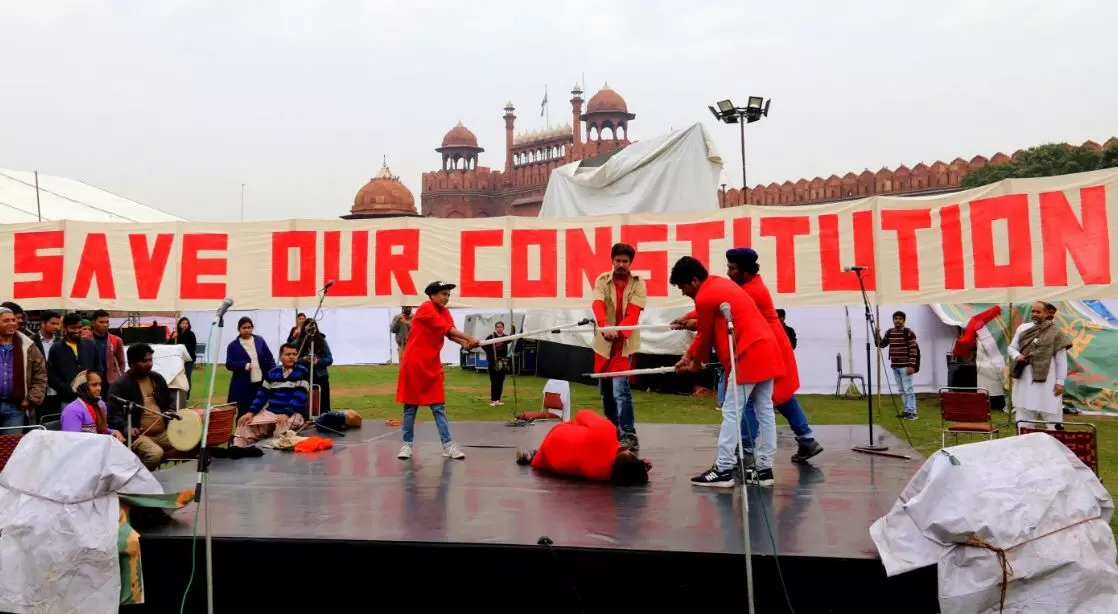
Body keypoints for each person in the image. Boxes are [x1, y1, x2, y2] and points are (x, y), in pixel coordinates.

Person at [670, 257, 784, 488]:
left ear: (694, 280)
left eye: (683, 287)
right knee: (765, 411)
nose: (683, 293)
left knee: (732, 411)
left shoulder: (705, 296)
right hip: (767, 347)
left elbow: (704, 335)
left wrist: (694, 363)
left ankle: (723, 469)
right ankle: (764, 470)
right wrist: (689, 355)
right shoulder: (719, 284)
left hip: (747, 353)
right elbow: (706, 326)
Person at [723, 248, 821, 464]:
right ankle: (806, 439)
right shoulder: (751, 287)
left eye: (732, 268)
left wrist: (695, 317)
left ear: (746, 271)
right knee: (782, 396)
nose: (728, 273)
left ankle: (746, 449)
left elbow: (721, 308)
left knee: (749, 398)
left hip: (765, 349)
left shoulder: (751, 291)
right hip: (773, 347)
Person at [396, 281, 480, 461]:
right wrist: (470, 338)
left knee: (438, 407)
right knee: (410, 406)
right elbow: (446, 328)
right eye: (443, 294)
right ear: (432, 295)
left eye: (448, 295)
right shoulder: (426, 308)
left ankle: (448, 446)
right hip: (414, 363)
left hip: (432, 364)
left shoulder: (445, 312)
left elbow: (449, 334)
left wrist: (465, 344)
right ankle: (406, 445)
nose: (446, 298)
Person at [592, 242, 646, 450]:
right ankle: (613, 431)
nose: (621, 264)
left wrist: (618, 332)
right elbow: (597, 304)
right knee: (606, 392)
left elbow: (633, 312)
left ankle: (629, 434)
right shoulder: (601, 280)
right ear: (612, 261)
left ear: (631, 263)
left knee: (620, 391)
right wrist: (605, 327)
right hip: (603, 345)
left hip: (624, 345)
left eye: (625, 261)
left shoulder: (638, 283)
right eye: (618, 260)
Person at [515, 409, 651, 485]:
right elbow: (626, 471)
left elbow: (581, 414)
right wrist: (638, 469)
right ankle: (532, 457)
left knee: (581, 428)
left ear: (627, 452)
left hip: (556, 436)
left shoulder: (607, 430)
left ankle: (534, 455)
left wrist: (601, 423)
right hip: (550, 461)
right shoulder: (603, 476)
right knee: (576, 454)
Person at [108, 343, 175, 470]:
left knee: (188, 442)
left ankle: (166, 474)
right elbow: (112, 416)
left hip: (163, 433)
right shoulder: (121, 385)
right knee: (155, 454)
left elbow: (169, 401)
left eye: (150, 360)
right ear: (131, 363)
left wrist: (171, 412)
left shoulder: (157, 378)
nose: (149, 364)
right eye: (144, 361)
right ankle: (137, 477)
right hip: (139, 436)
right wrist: (127, 427)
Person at [1009, 301, 1071, 430]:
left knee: (1051, 413)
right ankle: (1024, 439)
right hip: (1025, 378)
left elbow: (1061, 359)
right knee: (1024, 412)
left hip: (1048, 381)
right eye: (1033, 311)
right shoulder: (1023, 328)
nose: (1035, 314)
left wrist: (1060, 382)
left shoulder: (1056, 332)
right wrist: (1017, 356)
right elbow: (1012, 347)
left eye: (1038, 312)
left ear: (1047, 313)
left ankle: (1056, 439)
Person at [234, 343, 310, 446]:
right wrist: (251, 412)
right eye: (288, 354)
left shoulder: (302, 372)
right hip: (272, 412)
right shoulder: (272, 373)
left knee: (281, 433)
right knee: (244, 424)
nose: (292, 357)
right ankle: (239, 451)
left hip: (293, 413)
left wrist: (286, 413)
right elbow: (262, 395)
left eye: (294, 354)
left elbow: (299, 397)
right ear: (281, 357)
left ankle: (273, 455)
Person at [0, 306, 48, 429]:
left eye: (13, 320)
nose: (12, 323)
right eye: (6, 320)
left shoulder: (27, 344)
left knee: (12, 441)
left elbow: (41, 374)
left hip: (15, 408)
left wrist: (31, 399)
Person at [226, 316, 276, 416]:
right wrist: (244, 365)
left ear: (252, 328)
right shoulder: (233, 345)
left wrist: (273, 372)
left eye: (249, 327)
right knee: (244, 413)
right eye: (244, 328)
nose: (247, 330)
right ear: (239, 329)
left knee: (260, 411)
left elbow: (270, 358)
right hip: (243, 385)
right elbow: (229, 364)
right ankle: (241, 426)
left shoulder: (259, 340)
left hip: (261, 382)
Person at [47, 313, 100, 407]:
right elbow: (52, 376)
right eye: (73, 328)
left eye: (79, 327)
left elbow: (98, 368)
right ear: (65, 328)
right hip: (68, 400)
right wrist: (68, 390)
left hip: (91, 398)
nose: (77, 331)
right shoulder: (56, 348)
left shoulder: (90, 345)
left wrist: (93, 386)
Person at [876, 310, 920, 420]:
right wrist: (876, 334)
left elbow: (913, 349)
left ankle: (912, 412)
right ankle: (907, 410)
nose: (898, 320)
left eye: (900, 319)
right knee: (901, 390)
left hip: (905, 366)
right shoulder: (890, 332)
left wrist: (911, 365)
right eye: (896, 319)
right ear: (893, 320)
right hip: (895, 365)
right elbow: (881, 344)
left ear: (904, 320)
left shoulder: (909, 333)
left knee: (908, 389)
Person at [60, 370, 125, 442]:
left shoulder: (101, 404)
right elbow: (72, 441)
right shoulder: (72, 411)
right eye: (94, 385)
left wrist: (112, 432)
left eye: (99, 384)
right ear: (83, 387)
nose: (99, 388)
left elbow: (100, 430)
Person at [297, 318, 333, 414]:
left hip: (320, 376)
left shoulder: (321, 341)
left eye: (312, 327)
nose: (310, 330)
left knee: (323, 405)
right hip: (304, 377)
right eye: (308, 328)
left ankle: (324, 418)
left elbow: (329, 359)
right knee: (305, 405)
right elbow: (293, 360)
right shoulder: (299, 342)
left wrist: (318, 361)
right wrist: (304, 359)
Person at [32, 310, 63, 417]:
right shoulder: (31, 341)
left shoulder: (61, 342)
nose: (56, 327)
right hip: (37, 391)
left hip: (57, 391)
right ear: (43, 323)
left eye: (58, 324)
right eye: (53, 323)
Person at [90, 310, 125, 399]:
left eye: (107, 322)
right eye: (101, 322)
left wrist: (119, 379)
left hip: (111, 382)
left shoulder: (116, 340)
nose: (105, 325)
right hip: (91, 382)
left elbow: (121, 362)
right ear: (93, 323)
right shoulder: (85, 339)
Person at [169, 317, 197, 401]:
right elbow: (169, 345)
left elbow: (193, 346)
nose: (185, 325)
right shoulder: (175, 333)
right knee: (177, 377)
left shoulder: (191, 334)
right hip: (178, 359)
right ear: (179, 324)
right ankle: (177, 395)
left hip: (188, 359)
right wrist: (173, 338)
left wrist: (181, 346)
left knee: (187, 377)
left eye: (187, 323)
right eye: (183, 323)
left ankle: (186, 397)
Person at [482, 321, 509, 407]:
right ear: (495, 328)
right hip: (493, 362)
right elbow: (483, 345)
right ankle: (493, 400)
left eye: (501, 327)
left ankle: (498, 400)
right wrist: (490, 354)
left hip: (502, 362)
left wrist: (513, 328)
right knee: (494, 381)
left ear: (503, 328)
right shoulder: (491, 336)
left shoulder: (505, 337)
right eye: (498, 327)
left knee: (501, 380)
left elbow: (512, 338)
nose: (499, 328)